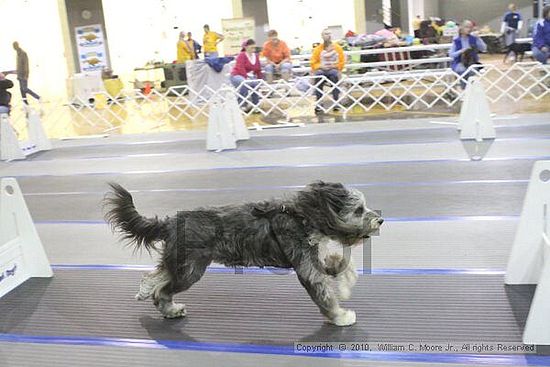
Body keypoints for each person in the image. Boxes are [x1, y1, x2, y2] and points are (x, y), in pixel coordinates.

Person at [310, 28, 345, 114]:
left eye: (329, 34)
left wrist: (334, 66)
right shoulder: (318, 49)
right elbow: (313, 63)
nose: (328, 36)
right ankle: (319, 103)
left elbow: (342, 62)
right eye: (326, 34)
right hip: (321, 70)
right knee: (318, 77)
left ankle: (336, 102)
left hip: (333, 69)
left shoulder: (338, 48)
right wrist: (320, 66)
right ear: (322, 36)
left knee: (334, 75)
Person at [449, 20, 487, 86]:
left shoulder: (474, 38)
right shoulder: (456, 40)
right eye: (467, 27)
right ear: (461, 28)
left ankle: (468, 88)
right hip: (459, 62)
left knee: (472, 70)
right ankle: (465, 88)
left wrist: (478, 38)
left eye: (470, 27)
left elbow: (484, 49)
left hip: (472, 62)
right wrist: (461, 51)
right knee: (461, 70)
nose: (469, 29)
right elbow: (451, 54)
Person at [230, 39, 263, 112]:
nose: (253, 50)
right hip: (236, 75)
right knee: (244, 83)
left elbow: (258, 69)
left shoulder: (256, 56)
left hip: (249, 76)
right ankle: (242, 104)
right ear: (246, 47)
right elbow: (240, 68)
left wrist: (260, 79)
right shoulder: (241, 55)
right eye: (252, 48)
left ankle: (255, 105)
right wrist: (246, 77)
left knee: (255, 84)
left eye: (254, 48)